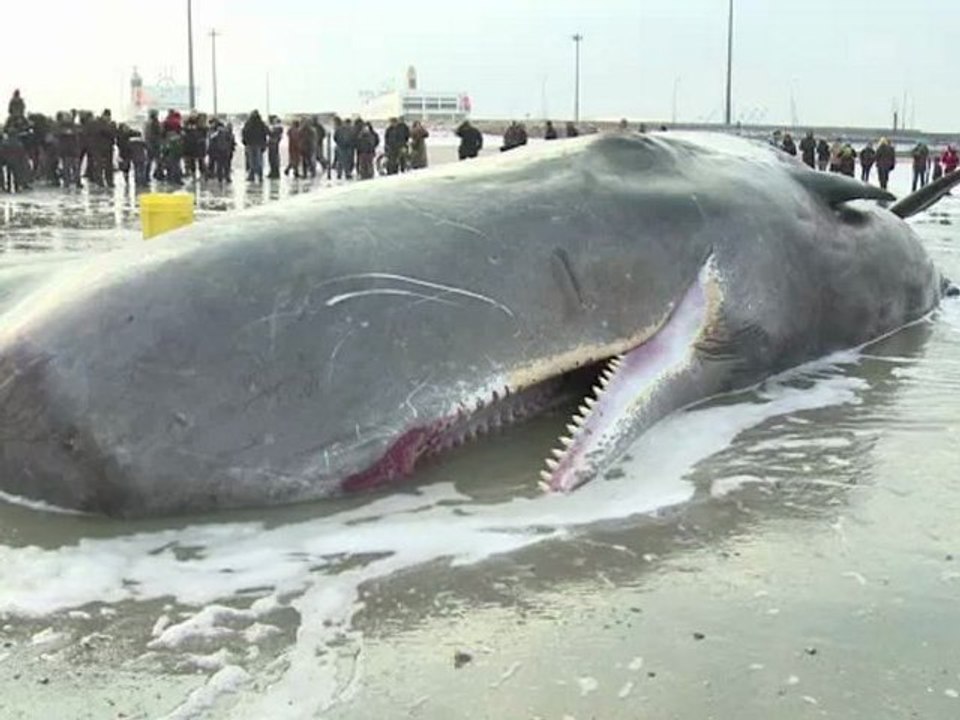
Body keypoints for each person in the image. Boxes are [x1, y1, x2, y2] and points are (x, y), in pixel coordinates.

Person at [242, 110, 268, 182]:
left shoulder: (248, 123)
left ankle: (252, 175)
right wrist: (264, 143)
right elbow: (265, 133)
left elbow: (244, 133)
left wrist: (245, 142)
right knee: (259, 160)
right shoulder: (261, 124)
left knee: (252, 161)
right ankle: (259, 175)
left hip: (250, 144)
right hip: (259, 144)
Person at [266, 115, 283, 179]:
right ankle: (273, 171)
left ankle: (274, 172)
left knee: (273, 159)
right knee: (272, 158)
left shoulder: (278, 128)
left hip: (273, 145)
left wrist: (267, 129)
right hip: (272, 145)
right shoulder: (276, 128)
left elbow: (271, 134)